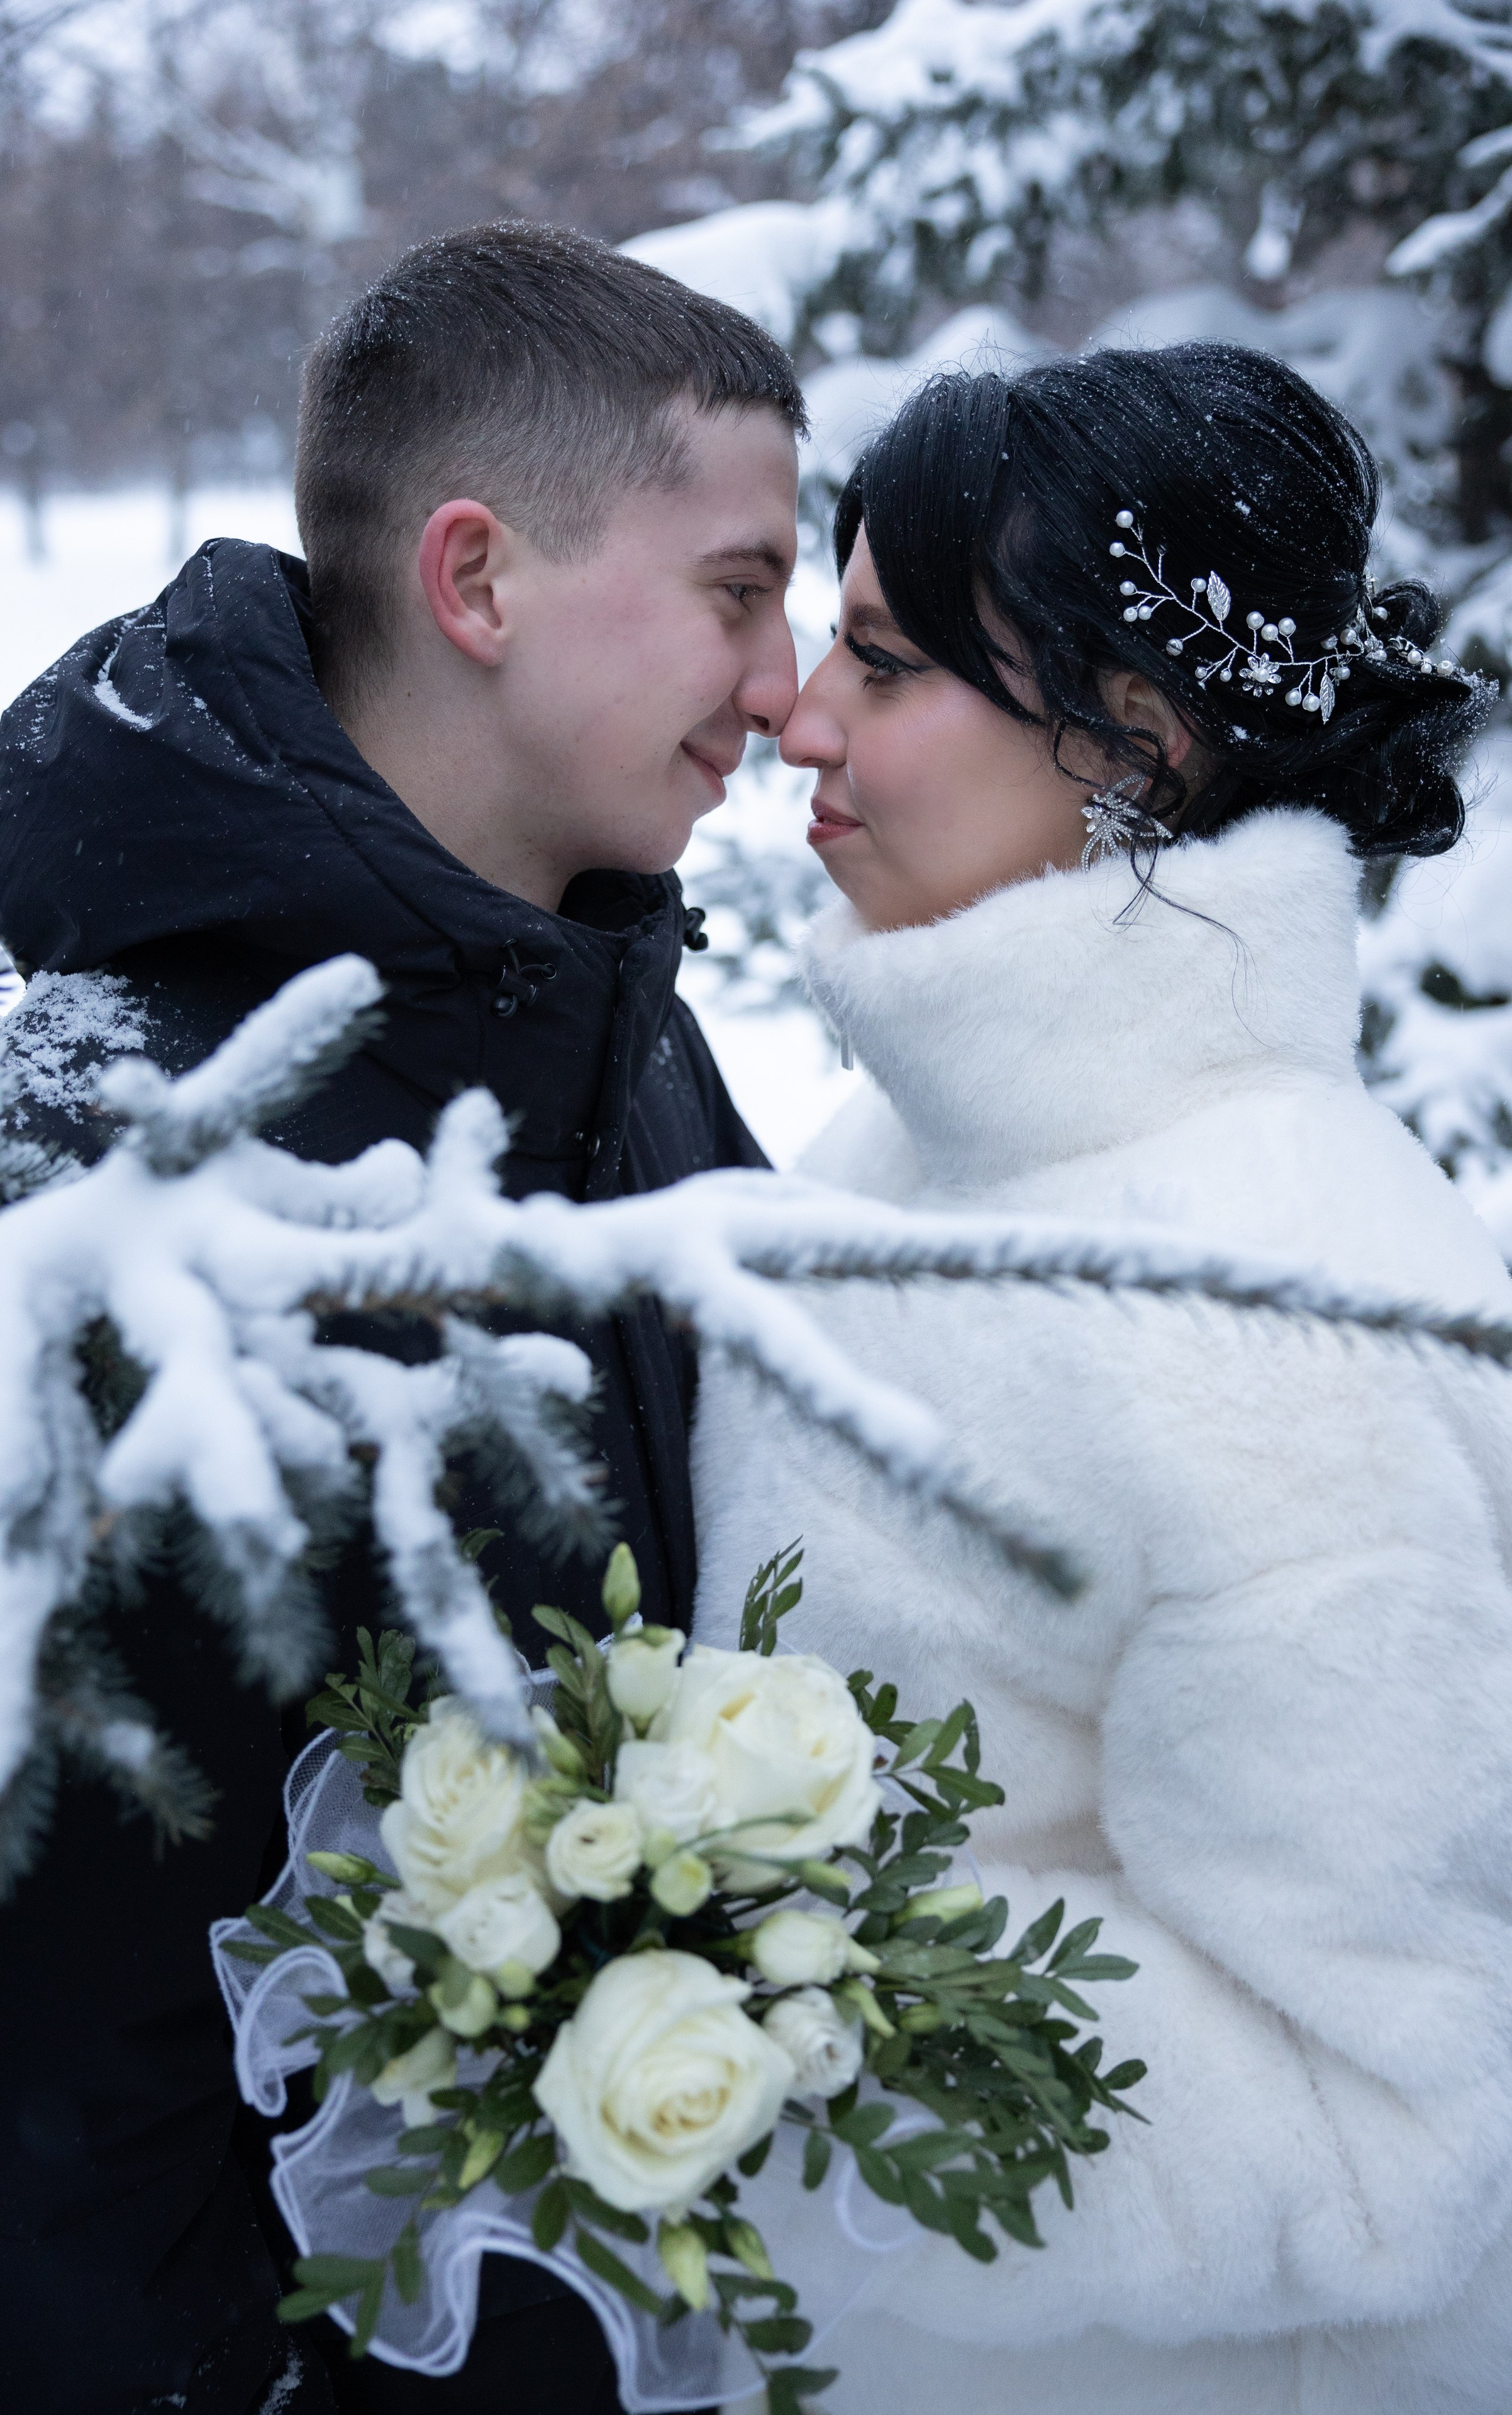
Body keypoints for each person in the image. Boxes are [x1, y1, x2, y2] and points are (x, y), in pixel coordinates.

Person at [690, 345, 1512, 2414]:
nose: (796, 722)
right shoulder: (916, 1158)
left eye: (892, 664)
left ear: (1141, 743)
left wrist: (755, 2019)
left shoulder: (1272, 1324)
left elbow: (1386, 2121)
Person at [0, 223, 801, 2415]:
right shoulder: (132, 1157)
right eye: (739, 590)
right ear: (477, 580)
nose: (789, 681)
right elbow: (57, 2053)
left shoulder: (598, 981)